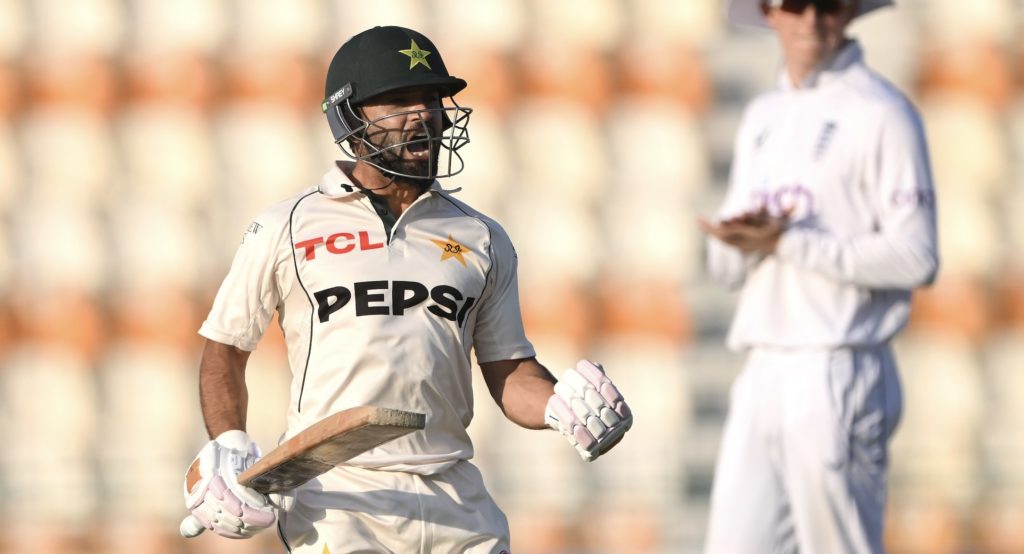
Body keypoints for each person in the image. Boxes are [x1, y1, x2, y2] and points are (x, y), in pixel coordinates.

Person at [178, 26, 632, 553]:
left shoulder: (481, 236)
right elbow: (227, 348)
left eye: (431, 100)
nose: (422, 115)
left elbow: (508, 368)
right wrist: (229, 442)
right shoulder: (286, 225)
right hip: (337, 497)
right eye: (397, 102)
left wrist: (561, 406)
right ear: (349, 119)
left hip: (456, 496)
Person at [699, 1, 938, 552]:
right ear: (769, 13)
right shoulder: (764, 115)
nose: (812, 19)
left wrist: (788, 242)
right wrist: (740, 242)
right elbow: (726, 271)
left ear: (849, 12)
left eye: (828, 4)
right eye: (795, 4)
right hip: (763, 363)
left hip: (839, 362)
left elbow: (918, 257)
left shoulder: (882, 112)